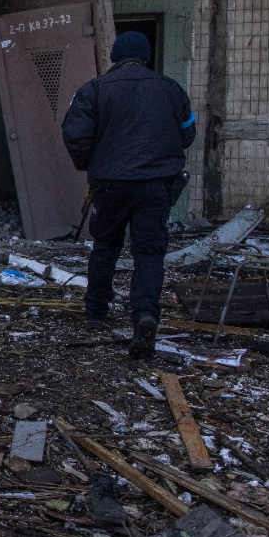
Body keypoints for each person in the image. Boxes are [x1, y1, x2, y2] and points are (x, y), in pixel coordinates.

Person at [61, 31, 196, 360]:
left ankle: (96, 313)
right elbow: (188, 133)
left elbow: (75, 135)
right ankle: (145, 315)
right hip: (156, 185)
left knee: (105, 247)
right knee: (149, 254)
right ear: (147, 56)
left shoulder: (93, 90)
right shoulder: (171, 89)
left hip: (110, 184)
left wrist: (92, 164)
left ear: (115, 57)